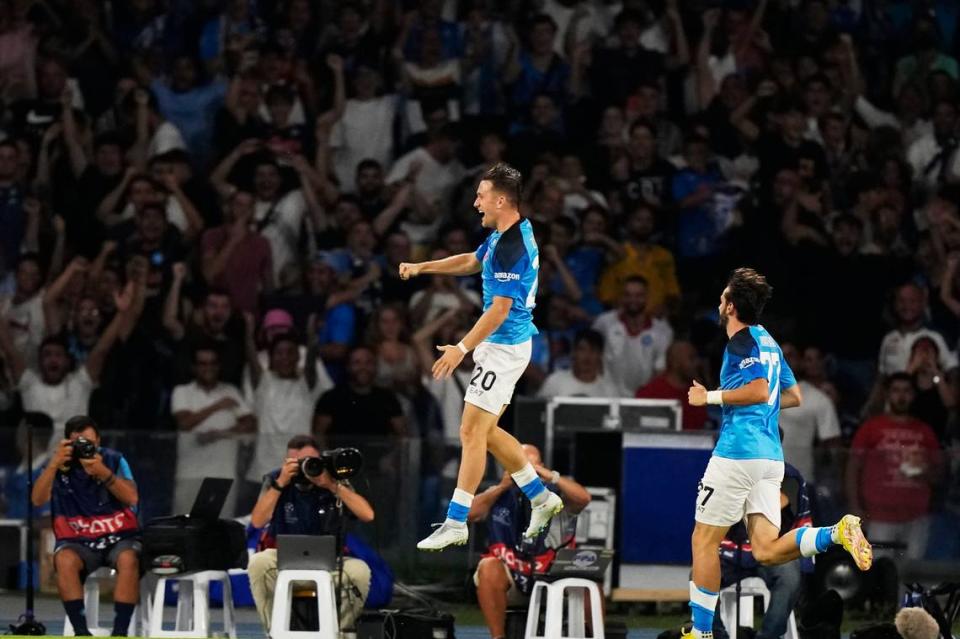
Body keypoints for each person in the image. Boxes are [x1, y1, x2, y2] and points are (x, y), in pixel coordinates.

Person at [681, 268, 871, 639]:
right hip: (770, 459)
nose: (719, 304)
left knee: (703, 542)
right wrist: (763, 405)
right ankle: (836, 532)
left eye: (722, 299)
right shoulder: (770, 342)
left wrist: (711, 397)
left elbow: (755, 390)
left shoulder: (740, 344)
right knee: (766, 550)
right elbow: (793, 396)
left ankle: (700, 634)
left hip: (737, 454)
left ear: (732, 306)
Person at [398, 162, 563, 551]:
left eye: (481, 196)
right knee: (485, 433)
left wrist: (461, 348)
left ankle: (457, 521)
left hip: (503, 348)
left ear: (501, 199)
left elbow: (499, 310)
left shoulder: (511, 246)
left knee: (471, 431)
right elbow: (472, 261)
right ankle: (541, 497)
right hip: (505, 345)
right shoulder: (507, 235)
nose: (476, 203)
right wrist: (424, 267)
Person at [247, 434, 374, 634]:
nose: (305, 468)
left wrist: (332, 485)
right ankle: (274, 631)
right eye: (298, 463)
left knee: (359, 571)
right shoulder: (276, 480)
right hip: (284, 560)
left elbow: (367, 514)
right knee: (258, 563)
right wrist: (280, 484)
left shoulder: (333, 480)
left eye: (311, 461)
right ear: (286, 462)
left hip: (332, 562)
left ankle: (342, 632)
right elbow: (257, 521)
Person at [31, 415, 140, 637]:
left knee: (129, 558)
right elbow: (37, 499)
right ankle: (81, 632)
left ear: (98, 441)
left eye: (88, 443)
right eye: (77, 443)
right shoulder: (59, 465)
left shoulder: (115, 460)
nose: (84, 448)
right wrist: (53, 464)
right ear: (67, 444)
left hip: (117, 537)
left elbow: (132, 498)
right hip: (77, 540)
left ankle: (120, 632)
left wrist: (102, 472)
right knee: (64, 559)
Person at [469, 444, 591, 639]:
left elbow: (584, 499)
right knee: (488, 567)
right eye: (518, 464)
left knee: (587, 576)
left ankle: (590, 634)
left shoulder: (555, 493)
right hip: (512, 576)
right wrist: (501, 486)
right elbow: (469, 514)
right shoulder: (498, 494)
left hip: (553, 575)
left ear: (541, 466)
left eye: (530, 465)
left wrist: (551, 476)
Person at [846, 373, 943, 560]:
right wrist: (855, 506)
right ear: (888, 394)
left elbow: (938, 472)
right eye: (896, 391)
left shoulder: (925, 431)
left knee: (913, 574)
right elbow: (853, 468)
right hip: (879, 515)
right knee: (880, 571)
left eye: (906, 391)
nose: (901, 396)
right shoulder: (871, 428)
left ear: (913, 395)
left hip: (916, 516)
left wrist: (924, 473)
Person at [171, 345, 255, 516]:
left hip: (224, 475)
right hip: (189, 475)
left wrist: (219, 435)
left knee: (220, 533)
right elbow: (185, 423)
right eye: (202, 363)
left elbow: (250, 423)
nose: (208, 367)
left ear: (218, 366)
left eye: (212, 363)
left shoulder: (231, 391)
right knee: (183, 530)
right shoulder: (182, 391)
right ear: (194, 367)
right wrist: (218, 406)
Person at [592, 275, 672, 397]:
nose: (632, 300)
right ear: (621, 297)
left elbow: (660, 371)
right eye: (627, 295)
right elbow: (593, 357)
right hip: (607, 397)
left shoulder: (663, 331)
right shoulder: (604, 323)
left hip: (644, 400)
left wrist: (646, 396)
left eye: (638, 295)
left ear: (647, 298)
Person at [636, 340, 709, 430]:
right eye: (691, 358)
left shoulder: (698, 393)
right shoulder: (649, 393)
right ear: (675, 363)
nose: (697, 363)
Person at [537, 329, 616, 398]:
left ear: (600, 355)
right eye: (582, 349)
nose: (587, 356)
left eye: (593, 350)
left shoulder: (609, 390)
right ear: (573, 352)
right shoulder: (555, 381)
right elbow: (539, 411)